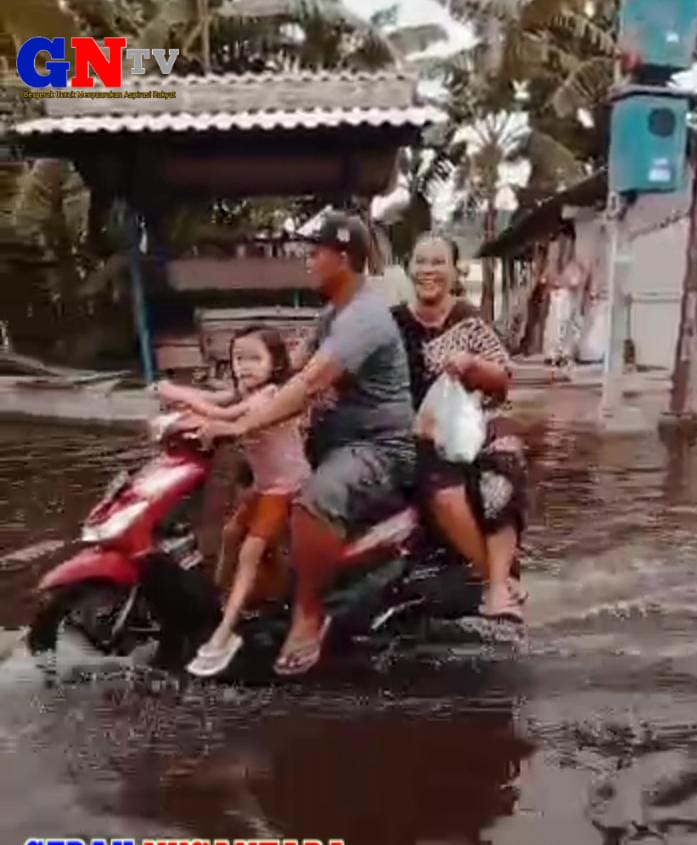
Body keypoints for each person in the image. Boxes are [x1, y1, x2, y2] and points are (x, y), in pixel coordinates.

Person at [187, 211, 416, 675]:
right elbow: (288, 370)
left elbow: (308, 384)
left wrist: (238, 427)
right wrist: (206, 406)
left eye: (315, 253)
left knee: (314, 500)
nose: (306, 261)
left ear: (345, 257)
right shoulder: (332, 313)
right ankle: (261, 589)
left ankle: (310, 612)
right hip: (335, 437)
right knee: (257, 488)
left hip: (378, 447)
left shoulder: (365, 317)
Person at [158, 326, 311, 677]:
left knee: (249, 552)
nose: (244, 366)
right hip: (263, 485)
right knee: (229, 534)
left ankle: (226, 632)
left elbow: (227, 418)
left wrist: (177, 395)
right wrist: (178, 395)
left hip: (286, 487)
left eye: (254, 358)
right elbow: (215, 401)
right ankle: (224, 601)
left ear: (274, 364)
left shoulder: (270, 394)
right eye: (238, 358)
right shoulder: (245, 390)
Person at [392, 234, 527, 622]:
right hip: (412, 433)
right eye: (421, 261)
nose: (428, 270)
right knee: (445, 491)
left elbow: (502, 381)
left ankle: (497, 587)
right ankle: (496, 580)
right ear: (409, 267)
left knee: (506, 461)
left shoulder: (469, 320)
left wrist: (471, 365)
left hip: (469, 425)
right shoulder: (392, 322)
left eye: (438, 262)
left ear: (454, 271)